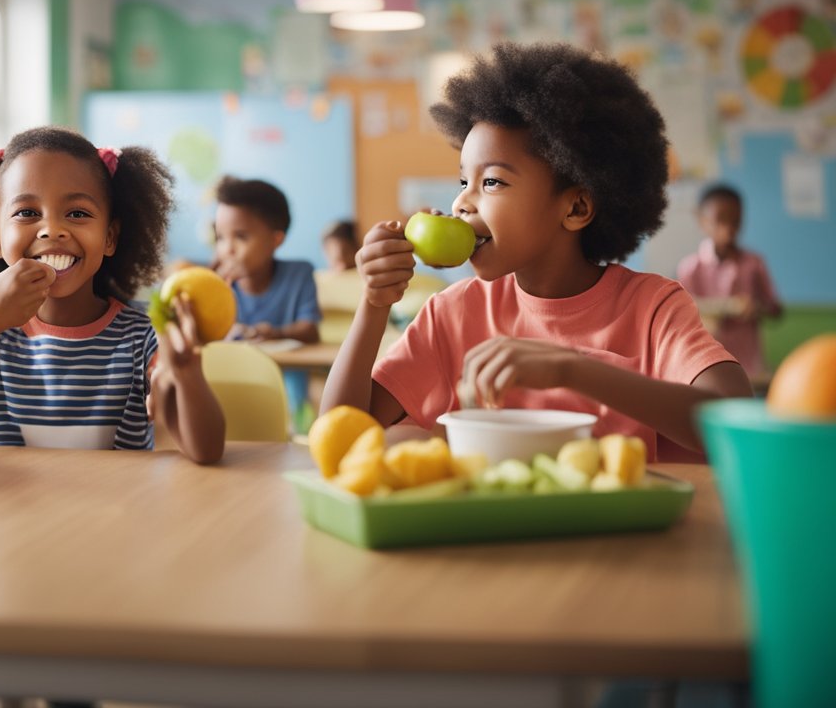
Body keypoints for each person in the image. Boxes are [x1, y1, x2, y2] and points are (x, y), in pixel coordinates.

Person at [321, 42, 752, 463]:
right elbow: (342, 435)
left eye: (491, 182)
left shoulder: (652, 308)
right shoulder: (452, 314)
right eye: (462, 182)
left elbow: (734, 420)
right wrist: (374, 303)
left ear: (576, 207)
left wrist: (572, 368)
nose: (461, 204)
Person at [0, 126, 224, 464]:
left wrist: (188, 374)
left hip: (115, 515)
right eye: (27, 213)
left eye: (77, 213)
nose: (52, 229)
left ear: (110, 237)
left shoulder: (144, 336)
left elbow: (205, 451)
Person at [677, 183, 782, 379]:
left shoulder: (754, 263)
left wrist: (756, 308)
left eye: (736, 221)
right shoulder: (690, 268)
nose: (728, 229)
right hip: (704, 364)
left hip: (749, 365)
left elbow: (776, 310)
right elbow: (684, 314)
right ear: (701, 220)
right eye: (720, 220)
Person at [214, 176, 321, 344]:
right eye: (220, 237)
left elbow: (310, 331)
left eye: (241, 237)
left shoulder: (299, 274)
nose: (227, 249)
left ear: (276, 240)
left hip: (286, 369)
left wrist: (275, 333)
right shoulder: (216, 283)